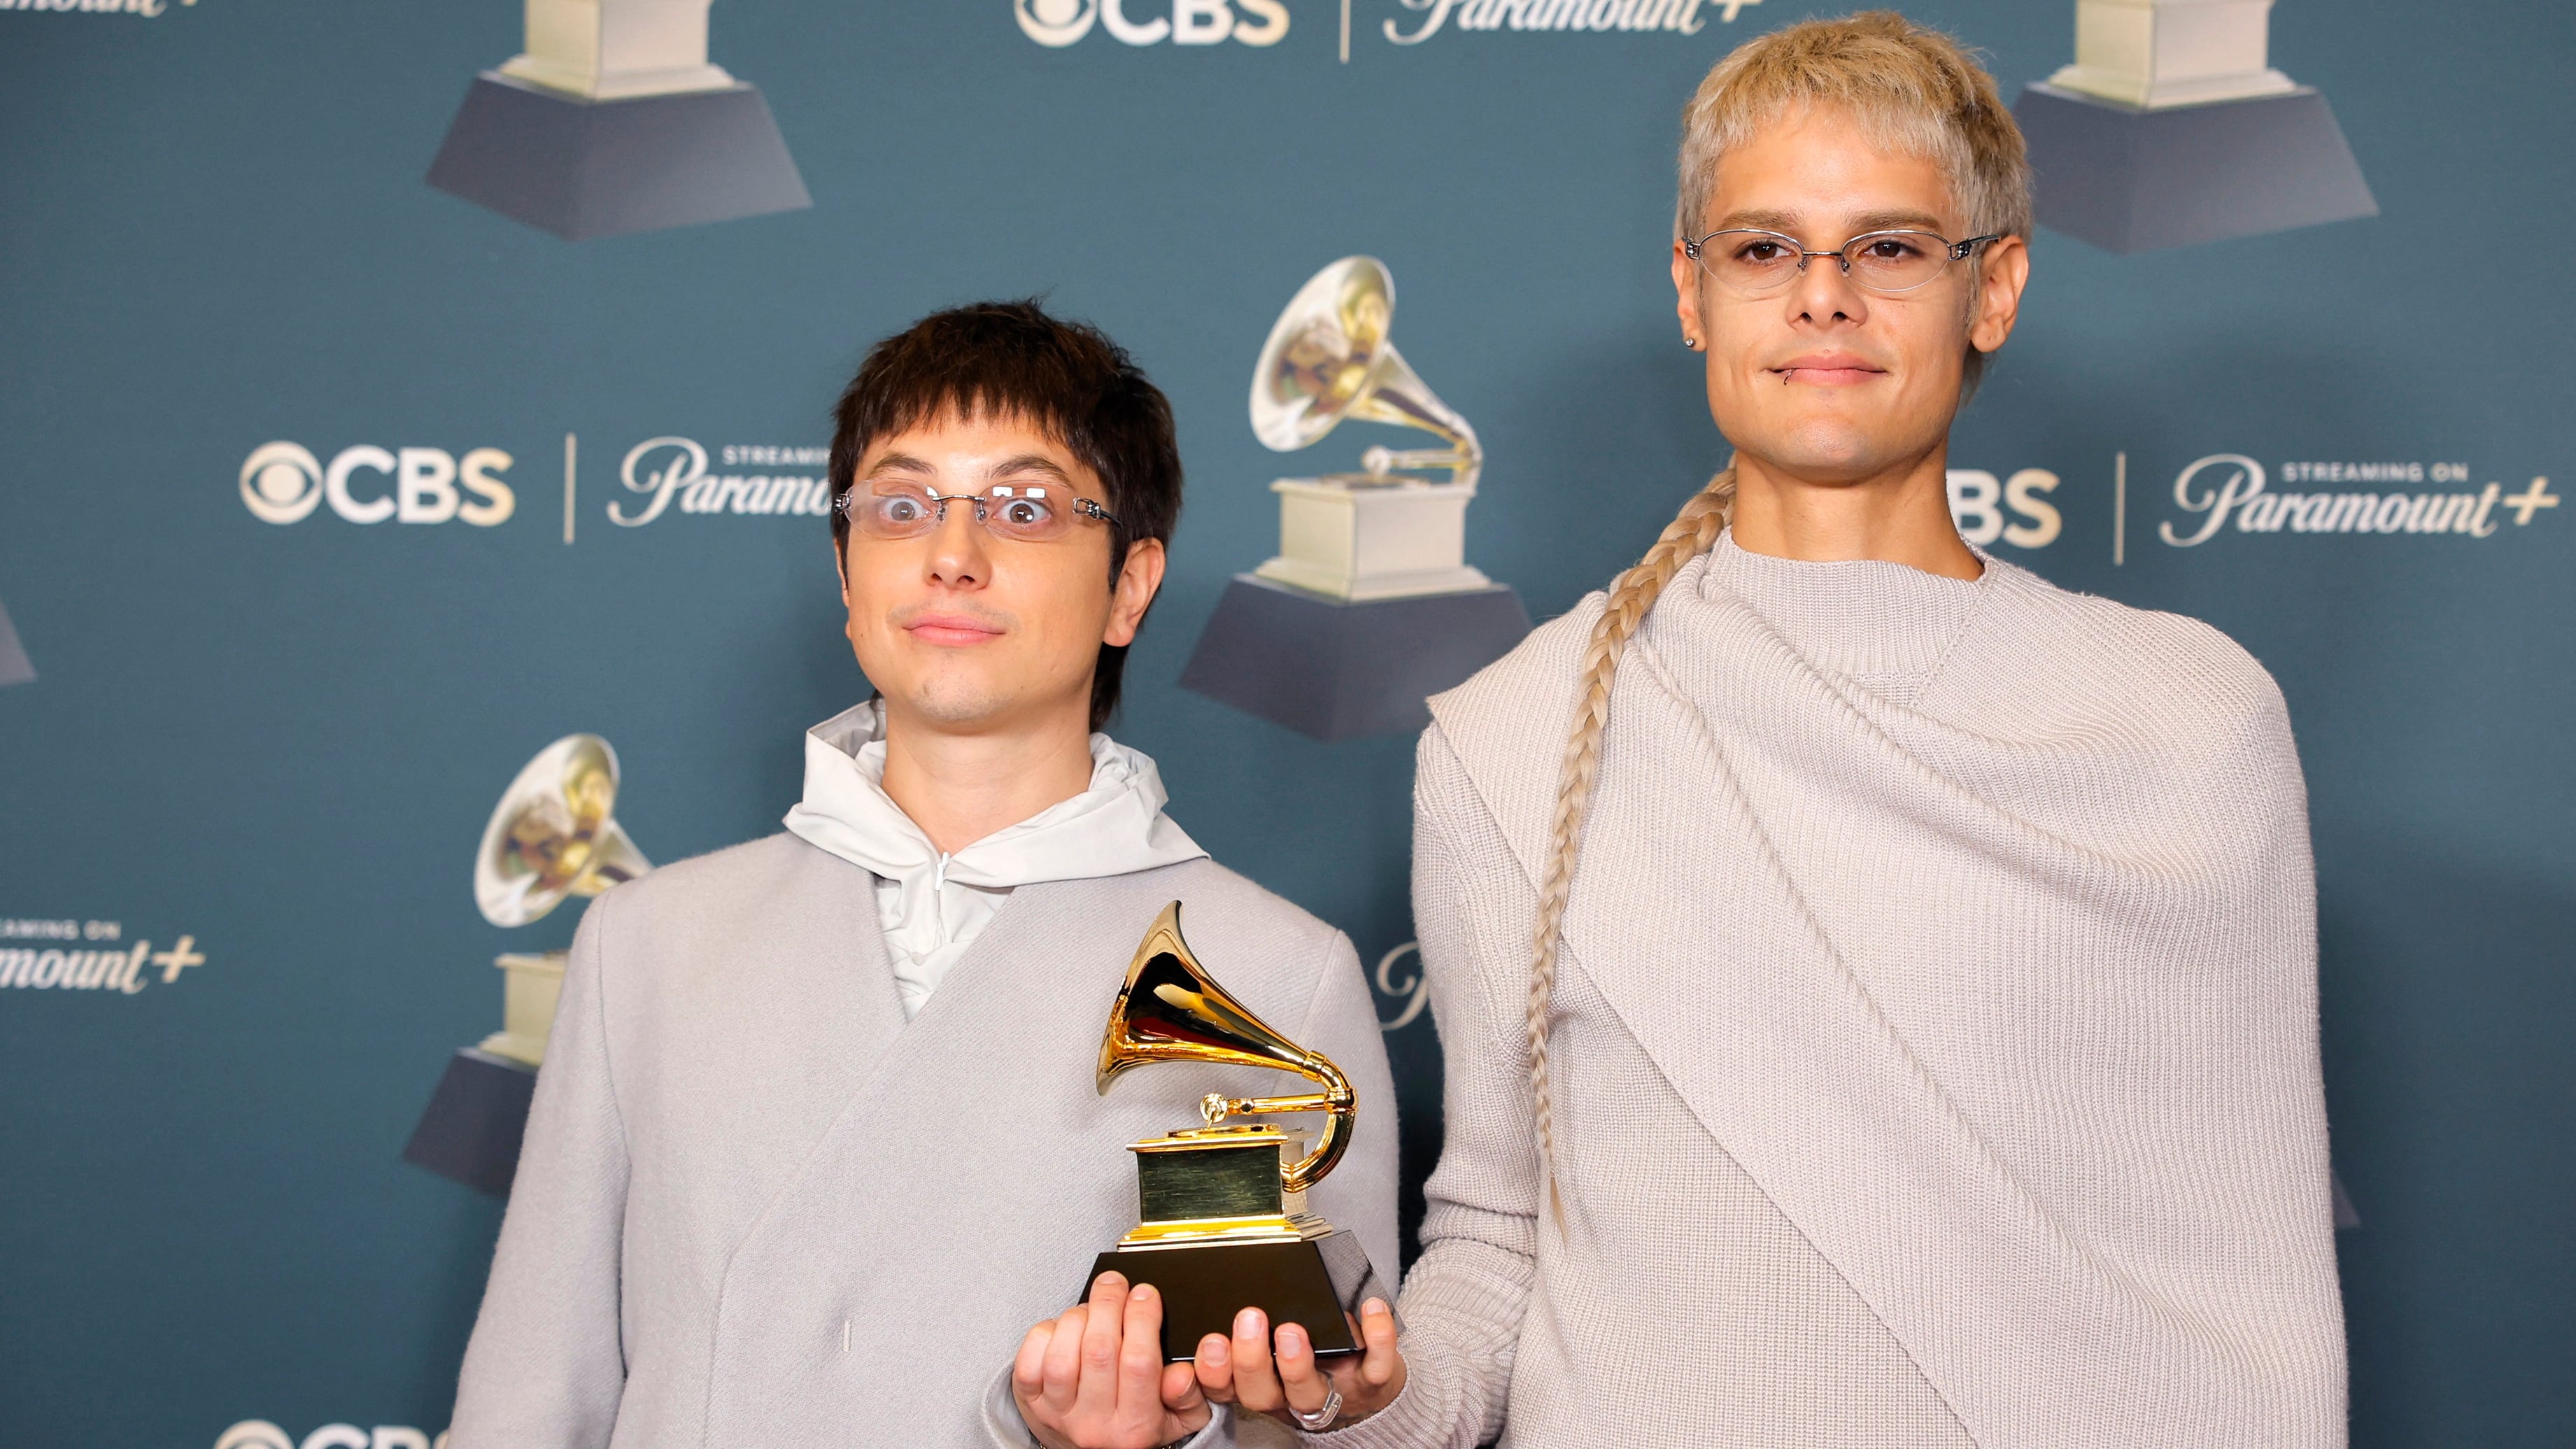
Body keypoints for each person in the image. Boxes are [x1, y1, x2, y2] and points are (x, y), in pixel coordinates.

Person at [1193, 13, 2348, 1446]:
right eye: (1761, 249)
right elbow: (1494, 1248)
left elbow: (2257, 1272)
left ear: (1992, 289)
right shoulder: (1515, 736)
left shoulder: (2185, 720)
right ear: (1691, 293)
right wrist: (1358, 1400)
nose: (1821, 296)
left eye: (1888, 246)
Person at [445, 301, 1399, 1449]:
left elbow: (1304, 1416)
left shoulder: (1280, 976)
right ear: (846, 573)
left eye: (1024, 507)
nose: (953, 554)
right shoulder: (644, 943)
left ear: (1129, 587)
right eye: (900, 507)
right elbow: (526, 1402)